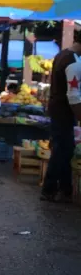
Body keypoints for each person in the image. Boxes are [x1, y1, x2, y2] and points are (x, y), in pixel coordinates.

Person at [41, 33, 81, 202]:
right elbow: (74, 96)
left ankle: (65, 189)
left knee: (66, 150)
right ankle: (49, 189)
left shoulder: (62, 55)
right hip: (64, 112)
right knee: (61, 151)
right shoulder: (72, 62)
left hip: (59, 110)